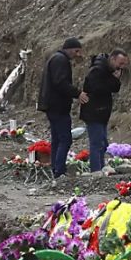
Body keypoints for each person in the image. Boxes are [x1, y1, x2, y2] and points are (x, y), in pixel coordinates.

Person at [37, 37, 89, 178]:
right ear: (70, 49)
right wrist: (78, 93)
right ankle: (59, 171)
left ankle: (55, 168)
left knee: (57, 139)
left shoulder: (55, 58)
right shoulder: (61, 60)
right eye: (77, 51)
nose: (78, 54)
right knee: (65, 139)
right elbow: (60, 83)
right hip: (57, 106)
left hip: (51, 105)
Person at [80, 49, 129, 172]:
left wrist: (115, 79)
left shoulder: (109, 71)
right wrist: (113, 80)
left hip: (101, 113)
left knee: (102, 143)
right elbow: (97, 88)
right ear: (112, 59)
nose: (121, 67)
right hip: (94, 112)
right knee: (97, 143)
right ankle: (96, 171)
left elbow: (114, 88)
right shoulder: (98, 70)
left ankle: (100, 168)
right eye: (120, 63)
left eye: (123, 64)